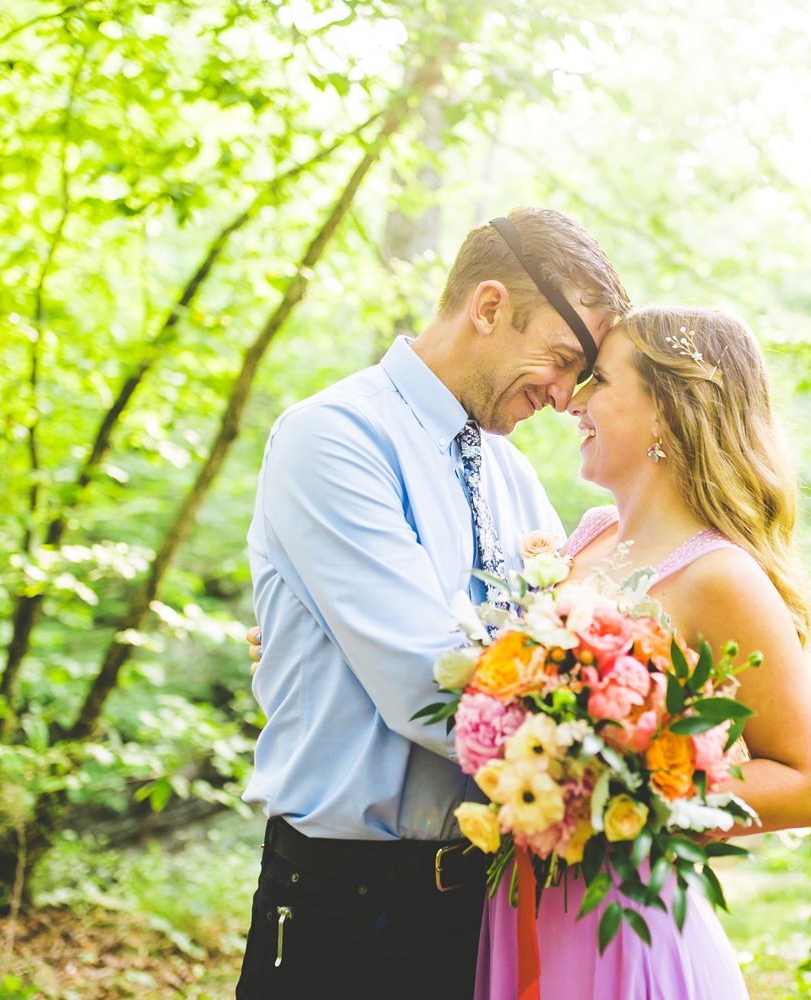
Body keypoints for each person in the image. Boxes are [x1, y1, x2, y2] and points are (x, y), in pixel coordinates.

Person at [235, 207, 630, 999]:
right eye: (561, 358)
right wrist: (635, 758)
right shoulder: (335, 437)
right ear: (487, 308)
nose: (563, 397)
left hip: (493, 899)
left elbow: (562, 651)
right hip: (349, 909)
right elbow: (426, 688)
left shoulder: (514, 476)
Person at [473, 306, 811, 999]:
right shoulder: (584, 540)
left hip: (621, 922)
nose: (571, 401)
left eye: (599, 381)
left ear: (668, 413)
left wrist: (617, 794)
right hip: (525, 906)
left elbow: (810, 784)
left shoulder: (721, 577)